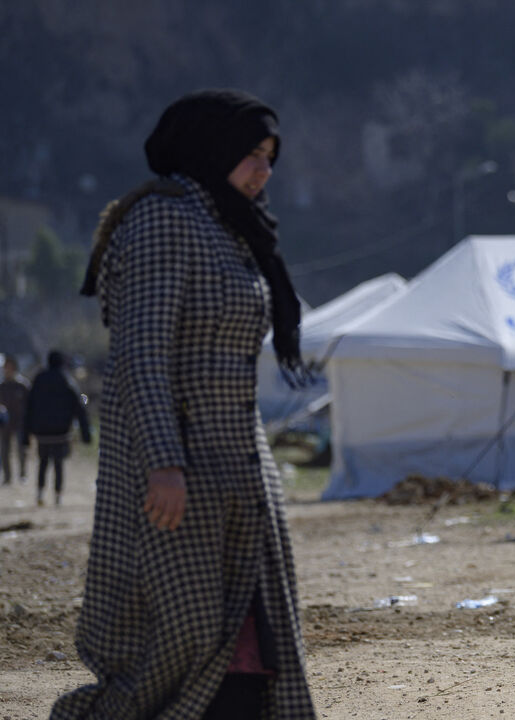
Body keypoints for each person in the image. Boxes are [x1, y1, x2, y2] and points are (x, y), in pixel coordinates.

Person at [52, 89, 315, 719]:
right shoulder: (163, 220)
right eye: (250, 154)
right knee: (184, 637)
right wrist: (164, 463)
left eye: (271, 157)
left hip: (240, 468)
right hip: (179, 472)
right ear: (211, 150)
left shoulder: (230, 227)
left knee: (257, 638)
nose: (263, 171)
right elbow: (142, 353)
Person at [22, 351, 91, 506]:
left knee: (43, 462)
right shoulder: (66, 379)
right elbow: (80, 407)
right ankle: (58, 496)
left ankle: (40, 493)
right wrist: (86, 433)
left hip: (42, 432)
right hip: (61, 432)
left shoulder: (39, 379)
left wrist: (25, 434)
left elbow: (29, 407)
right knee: (59, 464)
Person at [0, 355, 29, 485]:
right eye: (6, 367)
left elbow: (29, 404)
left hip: (20, 423)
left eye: (10, 367)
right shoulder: (2, 386)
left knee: (21, 450)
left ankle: (22, 474)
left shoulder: (22, 385)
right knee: (4, 451)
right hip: (4, 424)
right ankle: (7, 477)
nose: (8, 370)